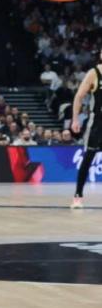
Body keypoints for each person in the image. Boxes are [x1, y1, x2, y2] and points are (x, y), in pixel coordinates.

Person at [70, 55, 102, 208]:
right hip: (97, 123)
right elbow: (79, 96)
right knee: (88, 157)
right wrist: (75, 119)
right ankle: (78, 195)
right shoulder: (94, 73)